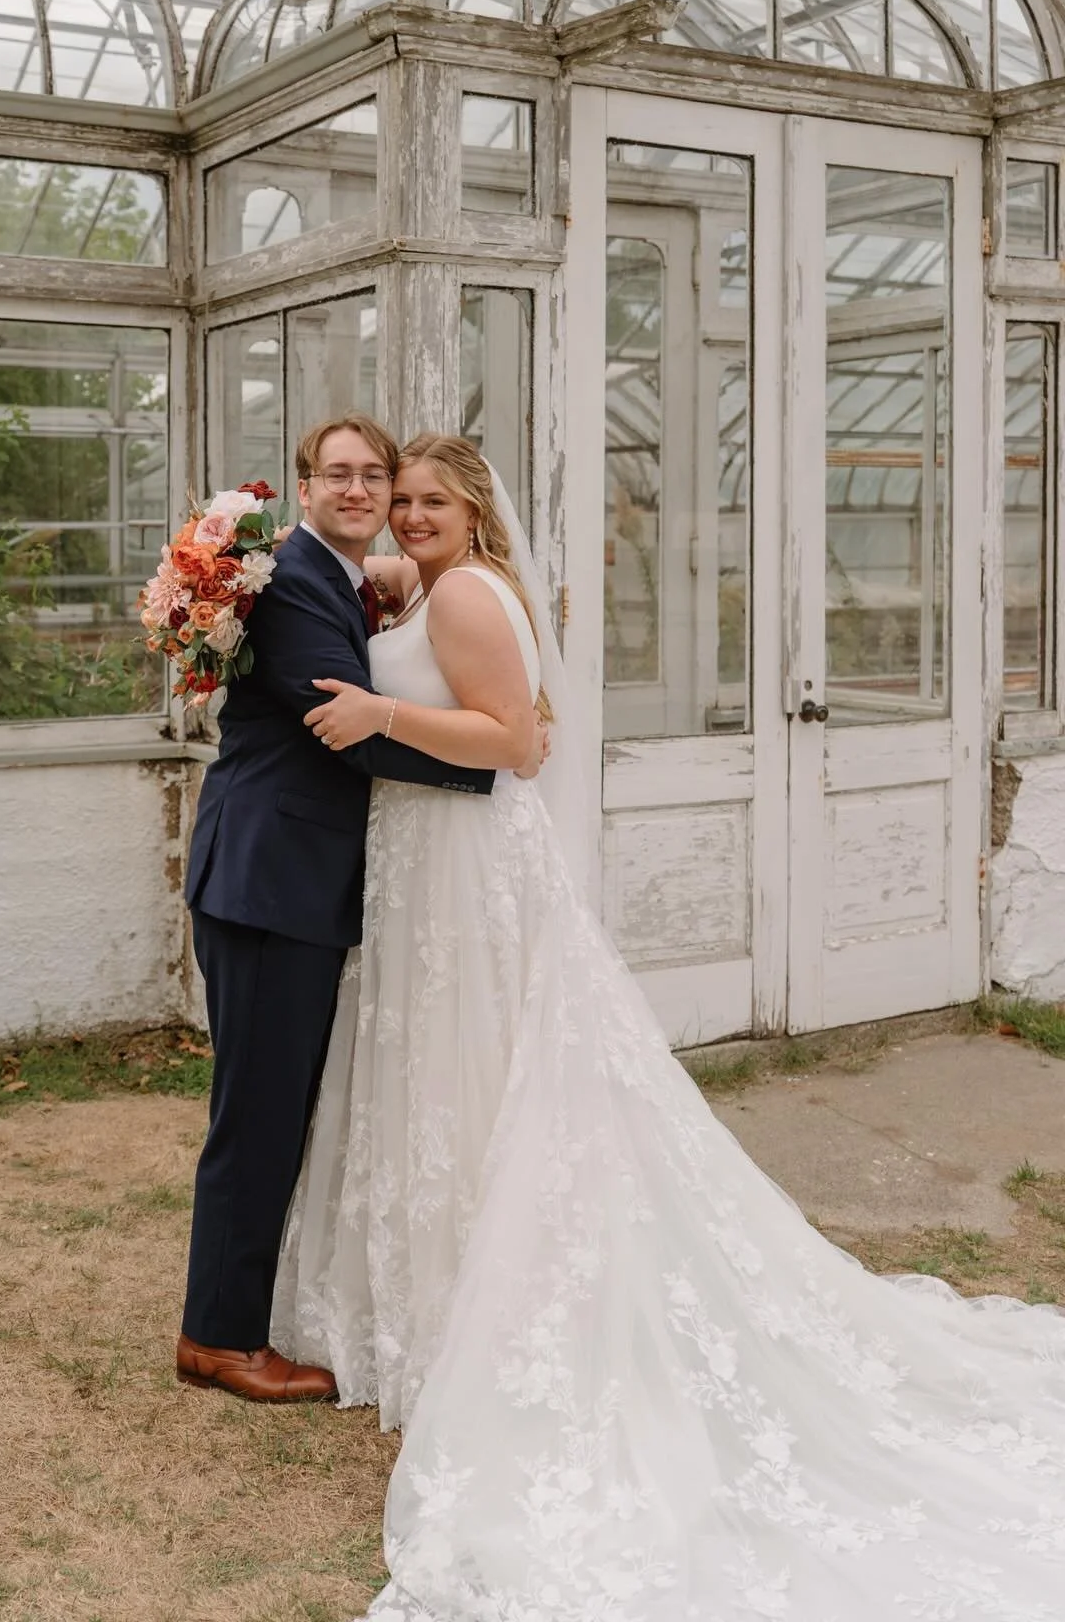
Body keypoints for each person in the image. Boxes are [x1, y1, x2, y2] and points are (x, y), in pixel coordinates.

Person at [273, 432, 1065, 1620]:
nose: (412, 514)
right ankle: (430, 1296)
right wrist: (384, 584)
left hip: (467, 864)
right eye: (404, 499)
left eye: (434, 499)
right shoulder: (428, 584)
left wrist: (381, 709)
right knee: (444, 1079)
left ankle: (489, 1312)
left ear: (474, 509)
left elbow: (520, 745)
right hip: (423, 862)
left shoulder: (471, 596)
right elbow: (410, 616)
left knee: (483, 1077)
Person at [178, 414, 536, 1405]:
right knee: (256, 1114)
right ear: (303, 489)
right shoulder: (294, 583)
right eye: (340, 474)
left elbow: (398, 608)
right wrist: (504, 758)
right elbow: (353, 735)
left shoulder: (342, 576)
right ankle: (219, 1337)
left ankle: (233, 1315)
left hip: (300, 879)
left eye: (375, 477)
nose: (362, 491)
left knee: (280, 1104)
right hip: (269, 880)